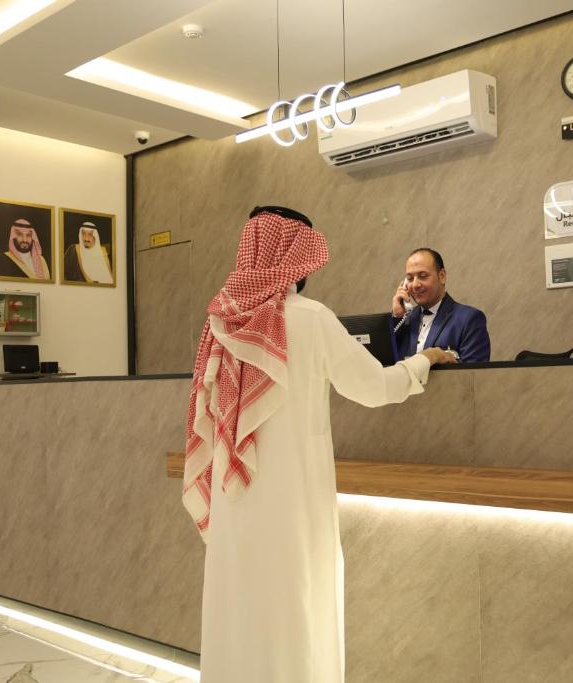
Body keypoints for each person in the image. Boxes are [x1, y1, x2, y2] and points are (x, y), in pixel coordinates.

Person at [184, 206, 454, 683]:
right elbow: (374, 387)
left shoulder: (220, 319)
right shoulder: (310, 318)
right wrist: (423, 362)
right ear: (295, 257)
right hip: (292, 502)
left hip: (234, 498)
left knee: (240, 603)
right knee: (295, 605)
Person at [390, 247, 491, 363]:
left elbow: (475, 376)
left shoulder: (469, 320)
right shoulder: (403, 320)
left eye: (422, 276)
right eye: (410, 278)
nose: (415, 285)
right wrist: (397, 317)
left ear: (442, 276)